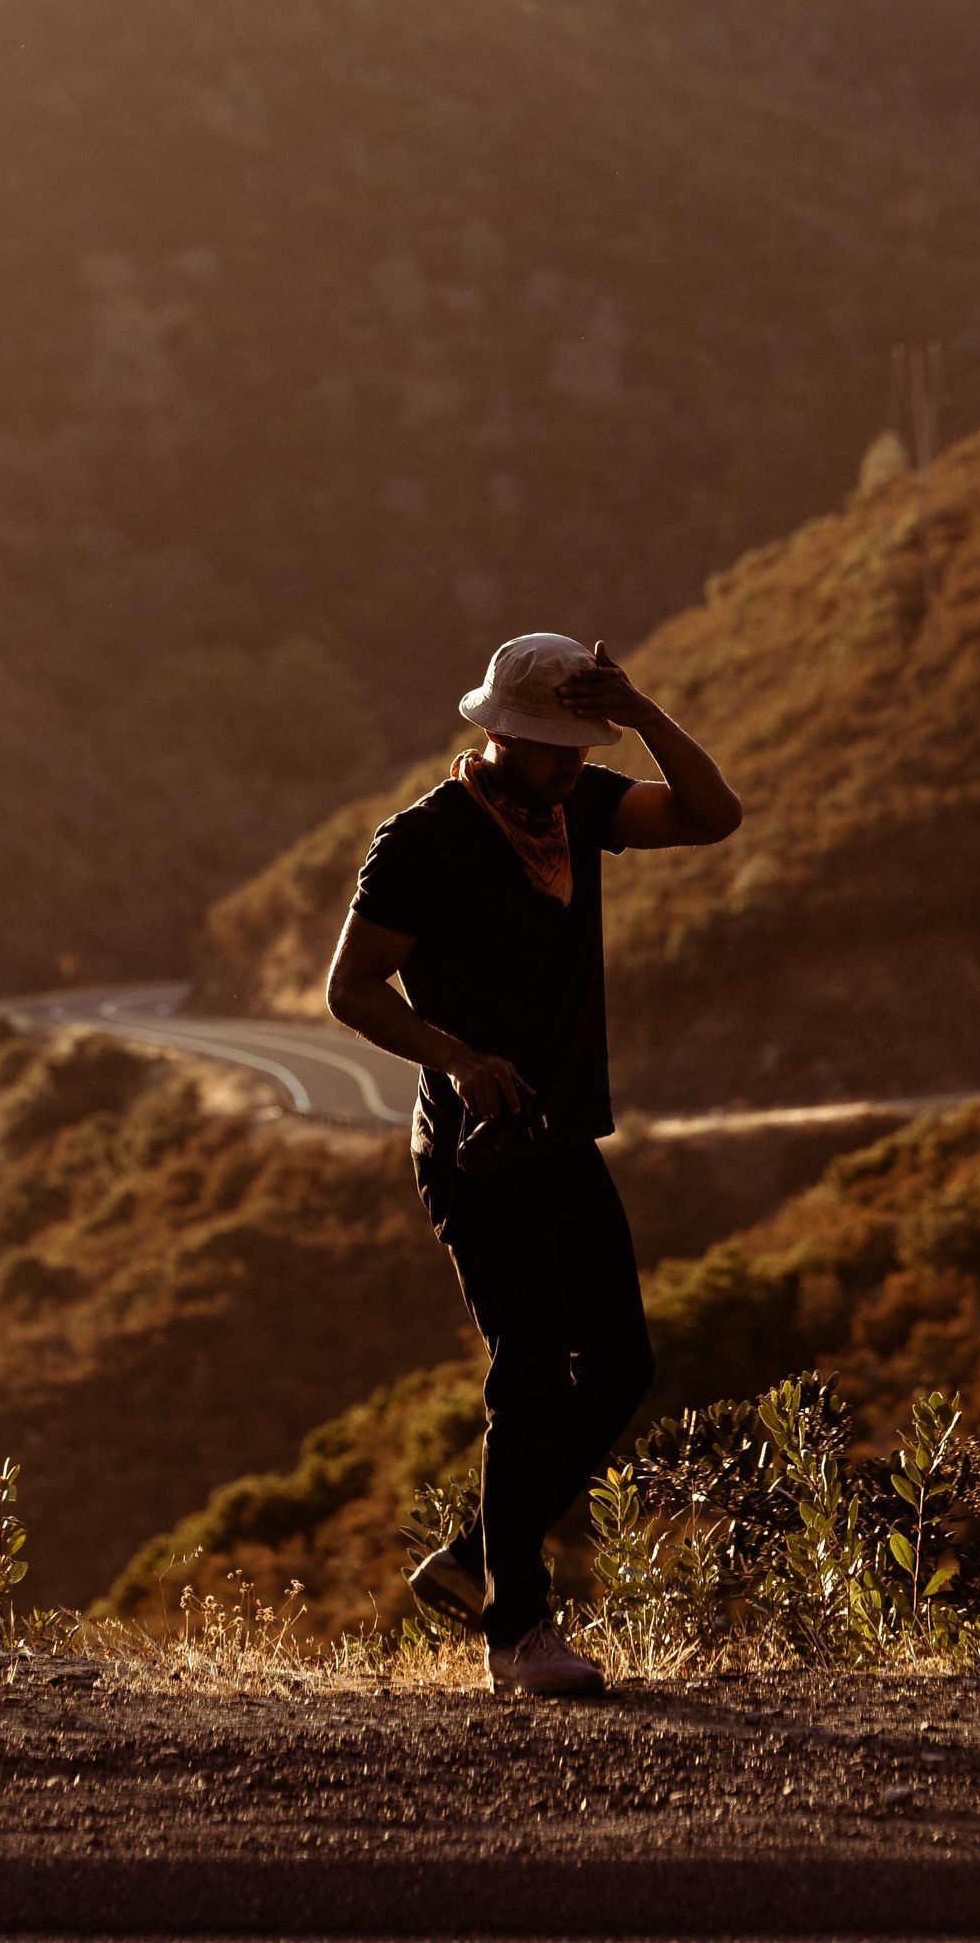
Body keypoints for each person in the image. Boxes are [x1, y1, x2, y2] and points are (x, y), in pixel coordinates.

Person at [324, 629, 742, 1698]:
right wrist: (456, 1058)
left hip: (560, 1135)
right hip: (476, 1148)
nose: (571, 760)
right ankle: (518, 1635)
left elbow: (711, 815)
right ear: (499, 731)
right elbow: (354, 989)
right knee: (530, 1374)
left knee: (621, 1366)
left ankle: (472, 1559)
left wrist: (645, 714)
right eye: (554, 743)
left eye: (581, 742)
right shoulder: (422, 840)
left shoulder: (579, 810)